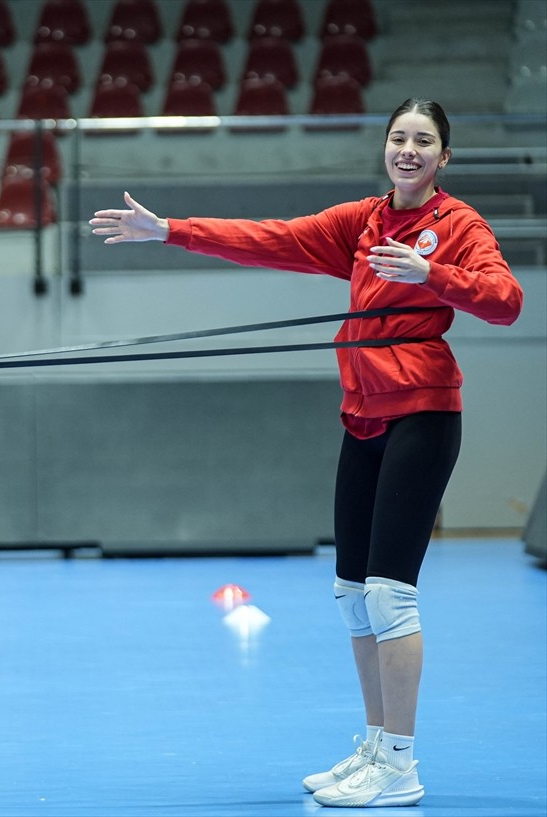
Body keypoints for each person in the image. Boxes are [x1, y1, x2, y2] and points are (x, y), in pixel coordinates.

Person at [89, 98, 523, 808]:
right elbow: (271, 237)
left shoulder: (459, 226)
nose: (408, 150)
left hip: (422, 413)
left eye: (424, 141)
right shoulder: (362, 222)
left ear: (444, 157)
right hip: (362, 419)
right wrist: (169, 230)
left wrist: (433, 277)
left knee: (389, 592)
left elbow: (506, 300)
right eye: (398, 138)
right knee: (352, 595)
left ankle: (403, 764)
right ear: (384, 148)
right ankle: (377, 745)